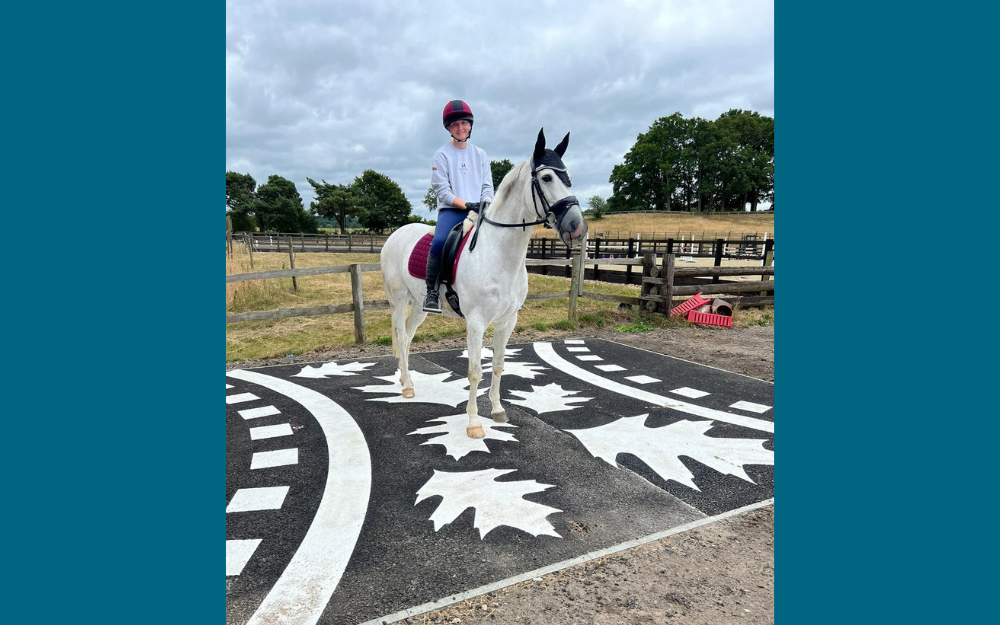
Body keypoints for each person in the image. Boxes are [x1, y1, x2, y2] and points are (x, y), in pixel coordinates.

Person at [424, 99, 495, 313]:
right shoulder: (442, 155)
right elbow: (442, 191)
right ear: (448, 128)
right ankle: (432, 292)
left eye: (464, 123)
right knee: (439, 241)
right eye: (455, 124)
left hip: (480, 210)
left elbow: (487, 186)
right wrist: (466, 204)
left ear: (470, 125)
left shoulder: (480, 155)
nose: (460, 128)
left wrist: (486, 202)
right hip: (453, 210)